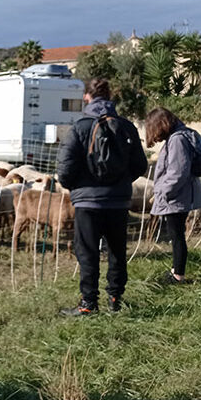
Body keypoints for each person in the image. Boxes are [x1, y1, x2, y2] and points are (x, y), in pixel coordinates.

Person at [56, 78, 148, 316]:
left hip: (87, 202)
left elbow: (65, 168)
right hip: (118, 201)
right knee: (117, 250)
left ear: (87, 97)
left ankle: (88, 303)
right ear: (110, 97)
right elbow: (140, 165)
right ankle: (115, 299)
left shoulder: (80, 127)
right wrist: (121, 182)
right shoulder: (127, 127)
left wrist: (76, 188)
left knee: (87, 251)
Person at [146, 107, 201, 284]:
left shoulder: (177, 140)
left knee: (177, 235)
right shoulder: (178, 136)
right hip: (179, 195)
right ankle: (175, 271)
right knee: (176, 234)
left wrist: (163, 192)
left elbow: (178, 171)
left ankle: (178, 275)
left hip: (177, 197)